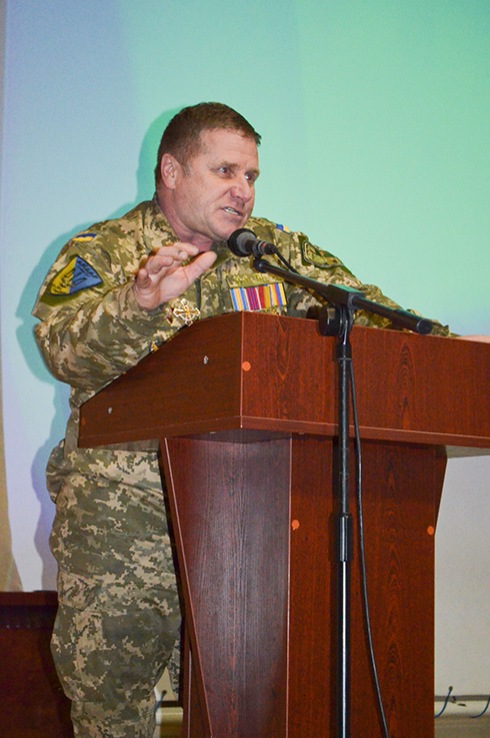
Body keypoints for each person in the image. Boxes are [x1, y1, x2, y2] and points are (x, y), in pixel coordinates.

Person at [33, 102, 451, 738]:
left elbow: (373, 317)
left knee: (246, 703)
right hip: (124, 519)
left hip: (245, 520)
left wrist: (448, 349)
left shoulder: (273, 254)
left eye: (251, 175)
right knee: (110, 702)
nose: (243, 190)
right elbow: (62, 349)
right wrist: (136, 304)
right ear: (171, 171)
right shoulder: (107, 252)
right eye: (225, 171)